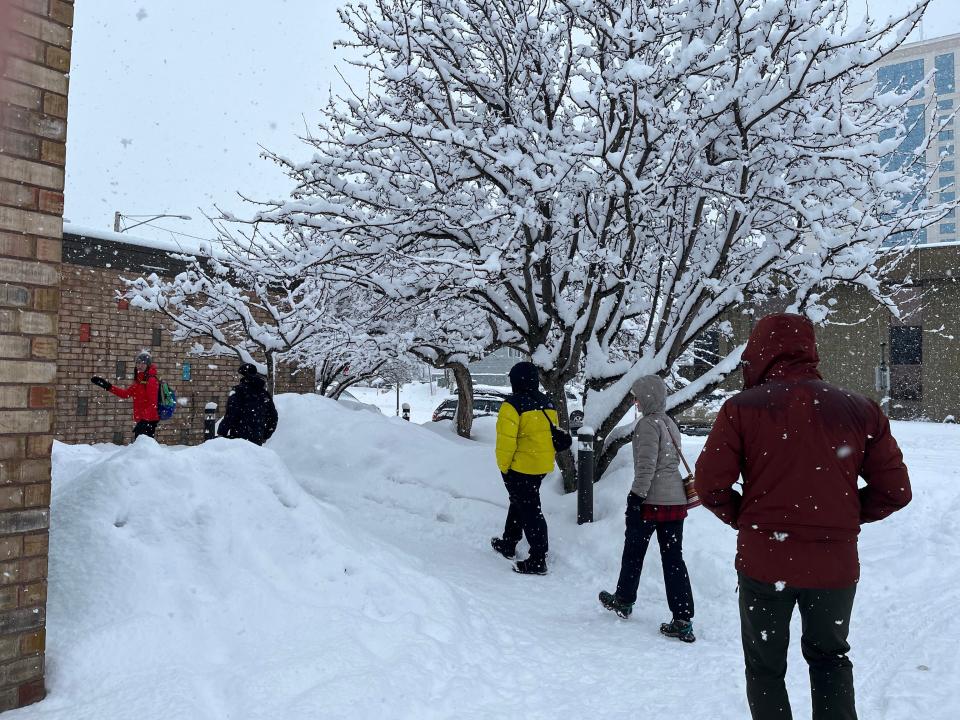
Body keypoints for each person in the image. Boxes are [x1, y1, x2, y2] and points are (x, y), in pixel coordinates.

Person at [695, 313, 911, 720]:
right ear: (810, 350)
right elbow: (896, 491)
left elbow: (709, 485)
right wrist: (840, 520)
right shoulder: (859, 409)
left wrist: (745, 517)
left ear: (756, 354)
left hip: (765, 561)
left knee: (764, 667)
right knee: (830, 658)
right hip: (833, 566)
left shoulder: (742, 409)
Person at [598, 375, 696, 643]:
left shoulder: (647, 425)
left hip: (652, 501)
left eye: (637, 396)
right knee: (674, 560)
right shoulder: (669, 422)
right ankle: (683, 618)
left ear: (648, 397)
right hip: (675, 502)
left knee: (634, 553)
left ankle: (624, 599)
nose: (635, 401)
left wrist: (635, 497)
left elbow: (646, 467)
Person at [490, 361, 558, 575]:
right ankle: (509, 542)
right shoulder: (547, 403)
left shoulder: (512, 405)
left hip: (520, 467)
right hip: (541, 466)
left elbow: (506, 442)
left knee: (530, 510)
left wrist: (504, 467)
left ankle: (538, 558)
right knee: (520, 502)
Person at [91, 349, 160, 439]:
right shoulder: (139, 381)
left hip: (149, 420)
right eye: (138, 363)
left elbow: (153, 403)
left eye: (143, 363)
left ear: (148, 365)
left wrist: (144, 420)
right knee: (141, 448)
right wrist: (107, 386)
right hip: (142, 420)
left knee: (144, 449)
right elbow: (125, 394)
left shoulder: (151, 380)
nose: (140, 365)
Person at [217, 363, 279, 446]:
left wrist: (222, 432)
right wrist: (265, 435)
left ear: (243, 376)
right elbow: (273, 417)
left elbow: (230, 415)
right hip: (257, 438)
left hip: (239, 439)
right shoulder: (264, 394)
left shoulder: (239, 392)